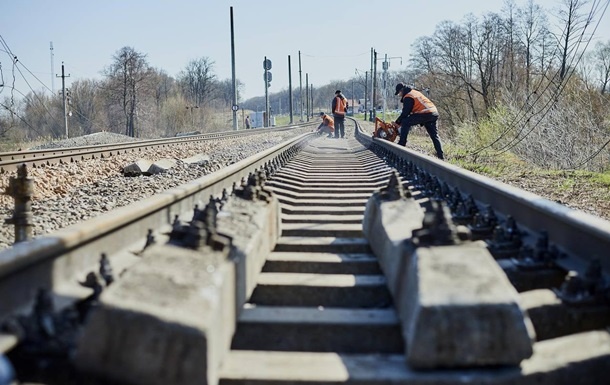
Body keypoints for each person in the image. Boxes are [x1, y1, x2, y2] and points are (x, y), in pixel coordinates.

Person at [394, 82, 444, 159]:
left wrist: (397, 122)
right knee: (434, 136)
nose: (399, 95)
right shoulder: (414, 93)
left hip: (425, 113)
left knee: (405, 122)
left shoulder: (408, 96)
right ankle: (441, 156)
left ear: (402, 90)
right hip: (433, 113)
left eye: (399, 93)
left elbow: (405, 113)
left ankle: (402, 144)